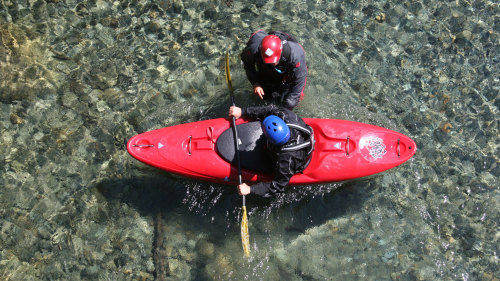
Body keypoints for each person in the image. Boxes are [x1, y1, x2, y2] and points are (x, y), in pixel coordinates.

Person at [228, 104, 314, 197]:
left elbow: (279, 185)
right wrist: (243, 111)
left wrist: (251, 189)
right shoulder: (287, 116)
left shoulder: (286, 160)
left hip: (298, 159)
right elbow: (270, 109)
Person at [240, 30, 308, 109]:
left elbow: (300, 78)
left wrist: (295, 97)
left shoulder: (295, 55)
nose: (271, 64)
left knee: (290, 102)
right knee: (265, 95)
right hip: (263, 62)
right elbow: (248, 64)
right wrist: (255, 83)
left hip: (286, 66)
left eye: (273, 62)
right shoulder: (253, 49)